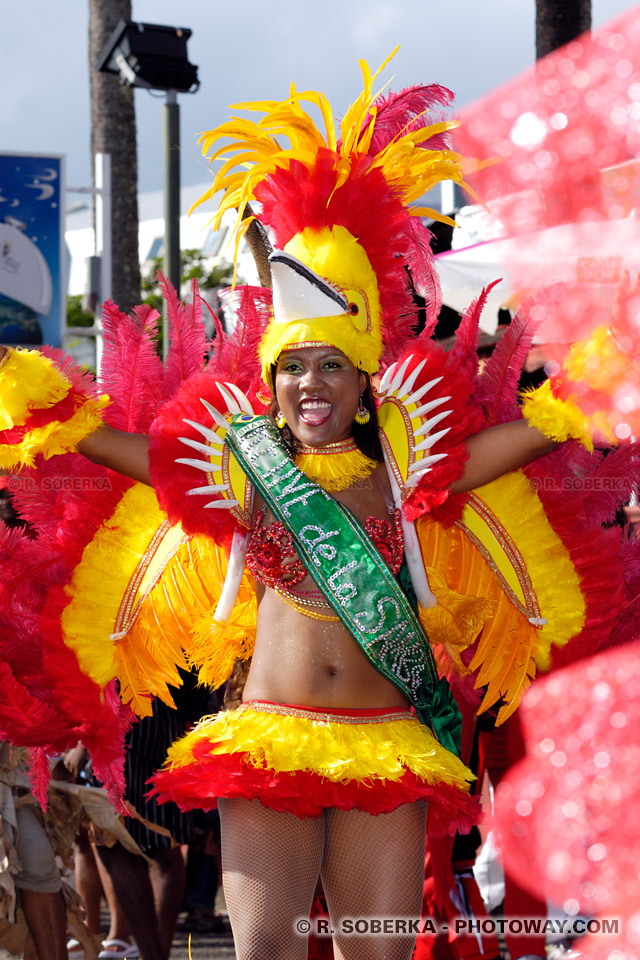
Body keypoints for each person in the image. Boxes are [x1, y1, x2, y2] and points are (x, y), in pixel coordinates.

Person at [0, 54, 635, 960]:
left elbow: (534, 434)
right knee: (266, 953)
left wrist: (605, 362)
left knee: (375, 950)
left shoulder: (415, 464)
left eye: (331, 364)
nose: (310, 383)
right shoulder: (240, 459)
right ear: (270, 377)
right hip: (269, 745)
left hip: (391, 741)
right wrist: (34, 395)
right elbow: (121, 451)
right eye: (293, 365)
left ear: (364, 377)